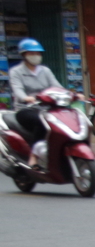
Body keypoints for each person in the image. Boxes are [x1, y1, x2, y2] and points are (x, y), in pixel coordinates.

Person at [9, 38, 65, 168]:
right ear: (24, 55)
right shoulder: (16, 71)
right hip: (26, 109)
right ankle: (33, 156)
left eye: (38, 53)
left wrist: (72, 94)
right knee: (41, 121)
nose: (36, 56)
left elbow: (56, 86)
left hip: (47, 108)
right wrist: (26, 98)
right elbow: (17, 90)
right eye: (32, 53)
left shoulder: (45, 71)